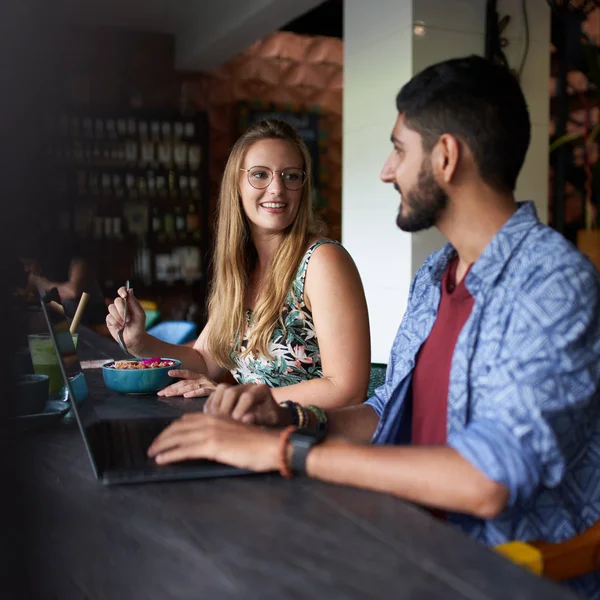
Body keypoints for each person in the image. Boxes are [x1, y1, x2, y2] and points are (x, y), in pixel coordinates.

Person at [146, 57, 600, 599]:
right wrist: (287, 415)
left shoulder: (552, 282)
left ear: (447, 157)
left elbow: (488, 482)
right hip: (398, 533)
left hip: (493, 568)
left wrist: (284, 451)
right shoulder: (435, 277)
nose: (387, 170)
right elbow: (388, 411)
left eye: (399, 149)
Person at [107, 119, 371, 408]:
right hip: (257, 435)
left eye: (292, 176)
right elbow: (207, 360)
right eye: (260, 175)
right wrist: (139, 343)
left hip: (317, 442)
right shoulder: (241, 269)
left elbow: (346, 389)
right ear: (237, 185)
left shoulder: (322, 261)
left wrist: (237, 397)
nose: (277, 189)